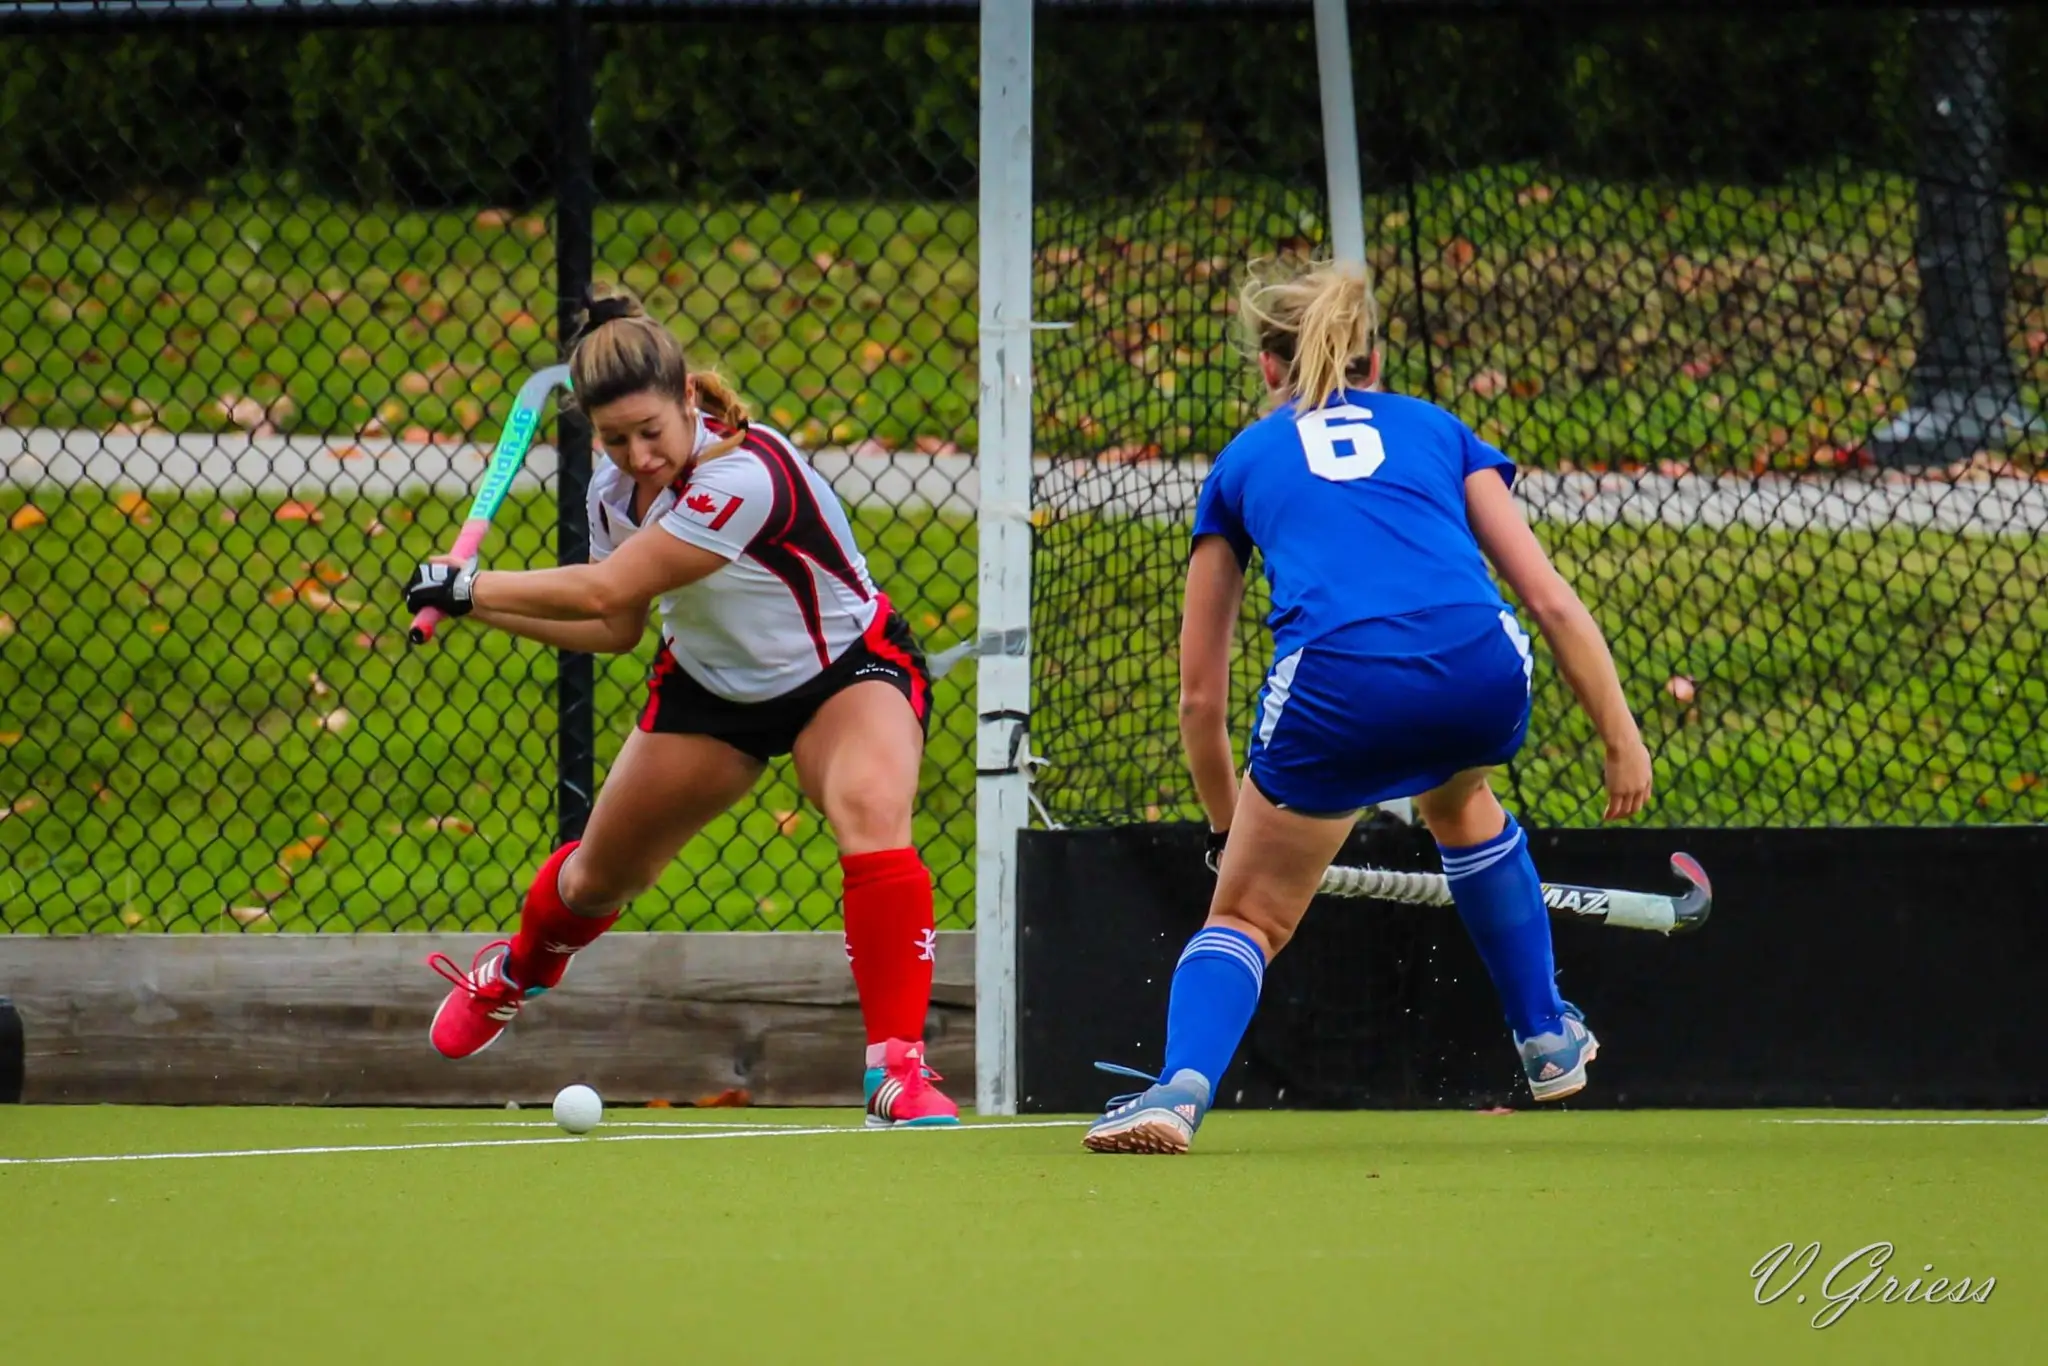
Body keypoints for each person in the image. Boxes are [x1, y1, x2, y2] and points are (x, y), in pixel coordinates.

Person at [1084, 259, 1653, 1154]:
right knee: (1460, 797)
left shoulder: (1242, 462)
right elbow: (1549, 600)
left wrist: (1230, 826)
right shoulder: (1438, 429)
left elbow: (1201, 696)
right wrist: (1621, 738)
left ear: (1270, 368)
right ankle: (1546, 1035)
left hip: (1341, 682)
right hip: (1481, 665)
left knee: (1246, 917)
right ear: (1374, 357)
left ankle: (1177, 1090)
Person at [402, 287, 958, 1127]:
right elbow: (614, 628)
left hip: (844, 673)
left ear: (689, 399)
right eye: (616, 440)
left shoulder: (746, 473)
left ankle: (897, 1072)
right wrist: (476, 606)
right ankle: (516, 970)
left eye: (652, 433)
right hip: (709, 690)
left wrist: (471, 581)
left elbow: (612, 584)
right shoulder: (610, 496)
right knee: (596, 878)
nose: (638, 455)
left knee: (871, 810)